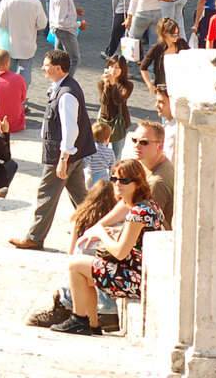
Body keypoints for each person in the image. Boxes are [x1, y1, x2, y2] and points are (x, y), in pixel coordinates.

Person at [53, 158, 167, 336]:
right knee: (85, 272)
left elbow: (121, 253)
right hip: (139, 272)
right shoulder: (147, 205)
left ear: (138, 183)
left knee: (75, 266)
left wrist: (102, 234)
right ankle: (90, 323)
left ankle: (79, 319)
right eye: (114, 179)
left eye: (124, 181)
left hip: (137, 279)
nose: (117, 184)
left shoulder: (138, 212)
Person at [11, 50, 96, 251]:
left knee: (46, 193)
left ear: (58, 68)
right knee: (80, 196)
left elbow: (70, 128)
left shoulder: (66, 94)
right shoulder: (63, 88)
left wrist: (63, 158)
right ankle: (95, 228)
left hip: (62, 154)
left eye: (47, 65)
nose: (43, 68)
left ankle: (35, 237)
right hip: (70, 153)